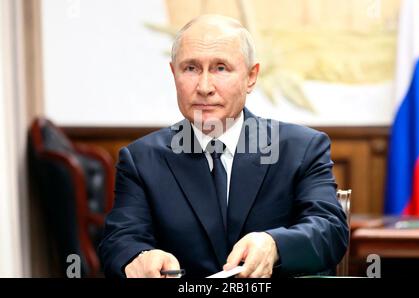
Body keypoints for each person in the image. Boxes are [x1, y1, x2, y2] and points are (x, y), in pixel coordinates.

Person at [98, 14, 348, 278]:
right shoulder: (141, 159)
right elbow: (119, 242)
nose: (204, 87)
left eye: (221, 68)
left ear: (251, 77)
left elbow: (330, 230)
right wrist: (140, 258)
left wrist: (275, 246)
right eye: (191, 68)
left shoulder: (301, 148)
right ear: (174, 74)